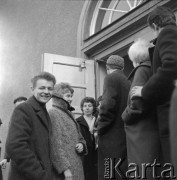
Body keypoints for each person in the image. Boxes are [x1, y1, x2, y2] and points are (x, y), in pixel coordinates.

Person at [130, 6, 177, 164]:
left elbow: (171, 66)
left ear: (155, 25)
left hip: (171, 113)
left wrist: (145, 90)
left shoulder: (167, 33)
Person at [5, 72, 56, 180]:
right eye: (42, 88)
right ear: (32, 89)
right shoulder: (24, 109)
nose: (46, 92)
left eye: (50, 88)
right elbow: (15, 147)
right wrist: (40, 174)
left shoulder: (43, 110)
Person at [122, 39, 160, 179]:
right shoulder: (154, 69)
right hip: (151, 129)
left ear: (134, 59)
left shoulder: (142, 70)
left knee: (142, 172)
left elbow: (136, 103)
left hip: (141, 132)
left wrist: (124, 116)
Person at [97, 55, 130, 180]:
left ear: (107, 67)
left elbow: (107, 106)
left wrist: (100, 128)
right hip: (123, 136)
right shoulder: (127, 81)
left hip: (110, 137)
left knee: (109, 173)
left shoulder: (111, 78)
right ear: (122, 67)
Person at [49, 82, 87, 180]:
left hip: (76, 164)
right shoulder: (53, 113)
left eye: (71, 96)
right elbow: (55, 144)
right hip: (66, 170)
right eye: (68, 96)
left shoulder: (69, 114)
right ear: (58, 96)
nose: (71, 99)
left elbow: (80, 136)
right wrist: (65, 168)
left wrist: (82, 144)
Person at [0, 96, 28, 169]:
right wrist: (6, 158)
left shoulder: (36, 118)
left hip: (34, 160)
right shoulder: (13, 121)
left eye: (23, 106)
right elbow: (10, 139)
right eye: (18, 107)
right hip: (18, 161)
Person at [76, 97, 98, 180]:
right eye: (85, 106)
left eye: (90, 105)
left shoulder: (97, 120)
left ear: (94, 107)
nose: (87, 108)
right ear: (82, 108)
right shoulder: (78, 121)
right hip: (85, 154)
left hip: (96, 153)